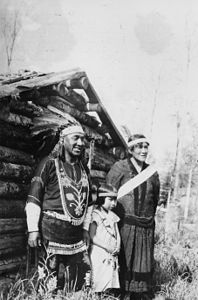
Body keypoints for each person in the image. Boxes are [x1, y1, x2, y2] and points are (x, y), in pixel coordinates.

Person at [25, 117, 93, 296]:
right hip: (51, 232)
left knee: (79, 283)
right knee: (49, 283)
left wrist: (85, 228)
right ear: (63, 140)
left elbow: (89, 203)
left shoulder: (83, 169)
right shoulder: (48, 164)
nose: (80, 143)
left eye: (82, 139)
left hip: (76, 237)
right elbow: (34, 198)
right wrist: (33, 229)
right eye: (75, 138)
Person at [106, 134, 160, 300]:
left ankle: (139, 294)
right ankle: (120, 293)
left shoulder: (152, 173)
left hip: (145, 227)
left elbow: (154, 200)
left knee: (142, 264)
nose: (143, 151)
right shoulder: (119, 167)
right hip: (124, 226)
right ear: (130, 149)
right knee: (124, 262)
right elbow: (108, 193)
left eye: (146, 147)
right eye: (139, 147)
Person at [89, 183, 120, 295]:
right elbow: (92, 236)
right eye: (110, 200)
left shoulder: (113, 216)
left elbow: (117, 233)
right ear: (102, 198)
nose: (114, 203)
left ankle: (107, 294)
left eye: (115, 200)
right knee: (99, 275)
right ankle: (96, 295)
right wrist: (106, 246)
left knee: (109, 276)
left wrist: (117, 246)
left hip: (111, 252)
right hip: (100, 251)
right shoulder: (96, 214)